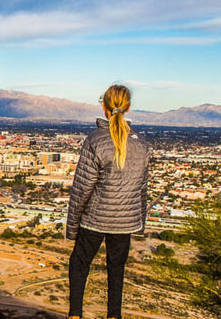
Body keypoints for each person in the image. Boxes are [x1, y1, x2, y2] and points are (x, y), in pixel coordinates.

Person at [66, 84, 150, 319]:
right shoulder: (142, 145)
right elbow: (142, 189)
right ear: (128, 107)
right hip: (125, 223)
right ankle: (114, 316)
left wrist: (72, 227)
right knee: (116, 270)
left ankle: (75, 315)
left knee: (79, 265)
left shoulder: (95, 141)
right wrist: (139, 222)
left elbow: (82, 189)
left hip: (95, 219)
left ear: (103, 106)